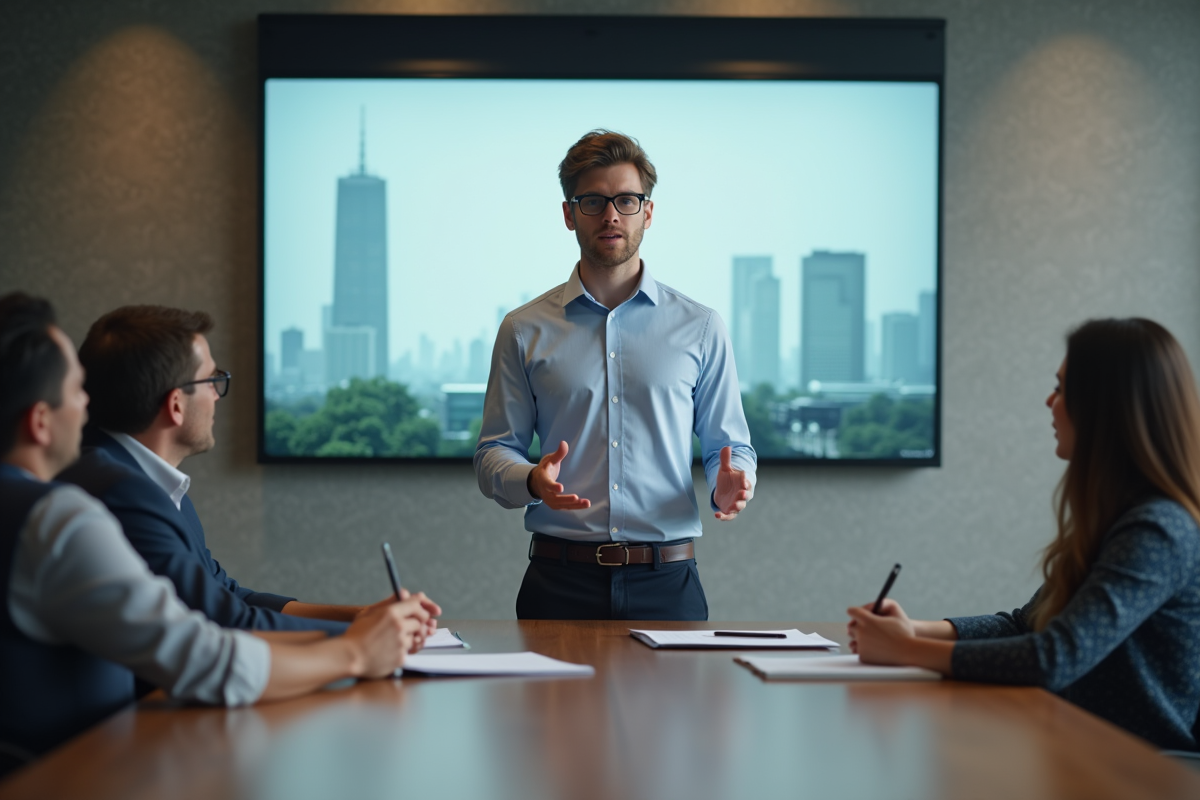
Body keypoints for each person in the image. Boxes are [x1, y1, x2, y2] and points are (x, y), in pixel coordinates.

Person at [0, 293, 438, 775]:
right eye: (75, 389)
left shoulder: (142, 487)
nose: (86, 404)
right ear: (40, 422)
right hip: (82, 773)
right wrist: (356, 648)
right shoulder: (71, 510)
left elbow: (222, 592)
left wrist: (358, 618)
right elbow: (204, 647)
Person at [847, 317, 1200, 751]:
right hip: (1084, 752)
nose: (1049, 400)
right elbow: (1024, 625)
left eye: (1062, 388)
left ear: (1105, 408)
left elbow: (1053, 657)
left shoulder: (1157, 530)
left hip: (1143, 771)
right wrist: (914, 630)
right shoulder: (1116, 518)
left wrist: (906, 650)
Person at [474, 130, 757, 621]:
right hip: (558, 583)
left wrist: (731, 482)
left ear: (648, 212)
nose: (610, 215)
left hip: (668, 583)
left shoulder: (701, 326)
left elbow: (729, 448)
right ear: (569, 214)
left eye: (626, 200)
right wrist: (532, 481)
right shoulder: (523, 330)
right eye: (592, 201)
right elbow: (493, 453)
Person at [58, 305, 420, 634]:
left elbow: (227, 595)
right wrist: (365, 639)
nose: (217, 395)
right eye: (211, 380)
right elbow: (222, 620)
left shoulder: (154, 482)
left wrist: (359, 616)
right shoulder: (120, 490)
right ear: (175, 405)